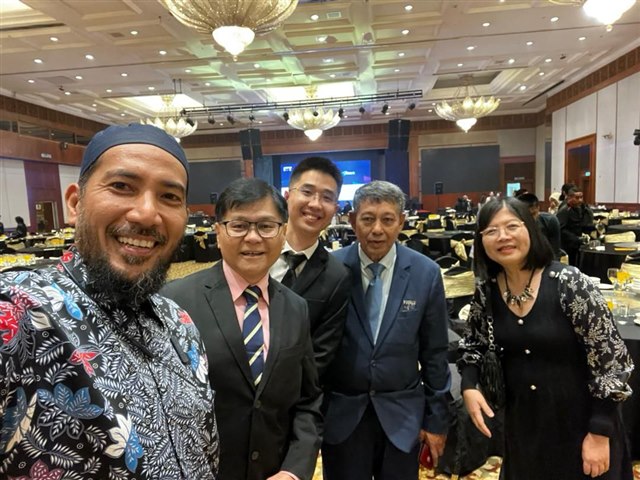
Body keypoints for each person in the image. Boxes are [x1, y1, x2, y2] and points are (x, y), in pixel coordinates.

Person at [0, 123, 219, 478]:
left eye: (169, 197)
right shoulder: (16, 310)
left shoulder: (180, 323)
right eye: (121, 186)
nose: (146, 214)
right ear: (76, 203)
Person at [458, 197, 634, 480]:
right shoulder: (487, 290)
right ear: (481, 241)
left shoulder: (569, 283)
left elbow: (611, 362)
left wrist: (600, 431)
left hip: (581, 425)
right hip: (524, 427)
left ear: (530, 229)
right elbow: (473, 345)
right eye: (491, 231)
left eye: (512, 226)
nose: (502, 236)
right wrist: (469, 385)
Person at [162, 178, 322, 480]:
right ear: (218, 231)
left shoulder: (296, 308)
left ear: (283, 232)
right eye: (238, 226)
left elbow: (308, 401)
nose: (253, 237)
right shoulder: (175, 301)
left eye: (266, 226)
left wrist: (293, 470)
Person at [322, 180, 452, 479]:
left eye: (387, 219)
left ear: (401, 221)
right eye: (367, 219)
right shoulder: (330, 269)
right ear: (352, 220)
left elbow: (435, 353)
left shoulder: (425, 273)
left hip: (403, 417)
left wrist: (436, 421)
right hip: (343, 416)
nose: (377, 230)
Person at [270, 157, 351, 380]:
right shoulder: (255, 252)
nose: (315, 204)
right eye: (307, 192)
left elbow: (320, 356)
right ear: (287, 196)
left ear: (335, 209)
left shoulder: (337, 276)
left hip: (297, 391)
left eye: (327, 197)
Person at [516, 192, 562, 259]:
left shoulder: (550, 221)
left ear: (538, 208)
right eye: (526, 215)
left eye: (533, 214)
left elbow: (555, 251)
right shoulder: (514, 225)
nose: (530, 219)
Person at [557, 187, 594, 266]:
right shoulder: (564, 210)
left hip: (578, 245)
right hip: (567, 246)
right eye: (577, 198)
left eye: (581, 197)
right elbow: (561, 230)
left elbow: (581, 225)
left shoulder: (582, 208)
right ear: (569, 198)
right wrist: (576, 238)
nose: (580, 200)